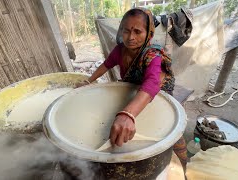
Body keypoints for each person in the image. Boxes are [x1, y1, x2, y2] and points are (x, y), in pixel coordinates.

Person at [76, 8, 188, 166]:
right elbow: (106, 65)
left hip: (157, 94)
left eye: (137, 31)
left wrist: (127, 114)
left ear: (148, 33)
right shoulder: (119, 50)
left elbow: (152, 83)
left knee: (169, 130)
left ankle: (183, 162)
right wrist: (88, 81)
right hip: (135, 91)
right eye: (126, 31)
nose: (131, 37)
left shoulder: (153, 55)